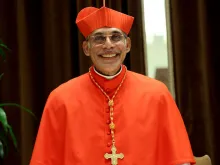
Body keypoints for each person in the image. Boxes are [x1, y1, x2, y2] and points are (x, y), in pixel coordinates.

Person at [30, 3, 195, 165]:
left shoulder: (157, 94)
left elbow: (179, 160)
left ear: (128, 45)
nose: (108, 45)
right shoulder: (60, 99)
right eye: (99, 38)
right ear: (86, 48)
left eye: (115, 37)